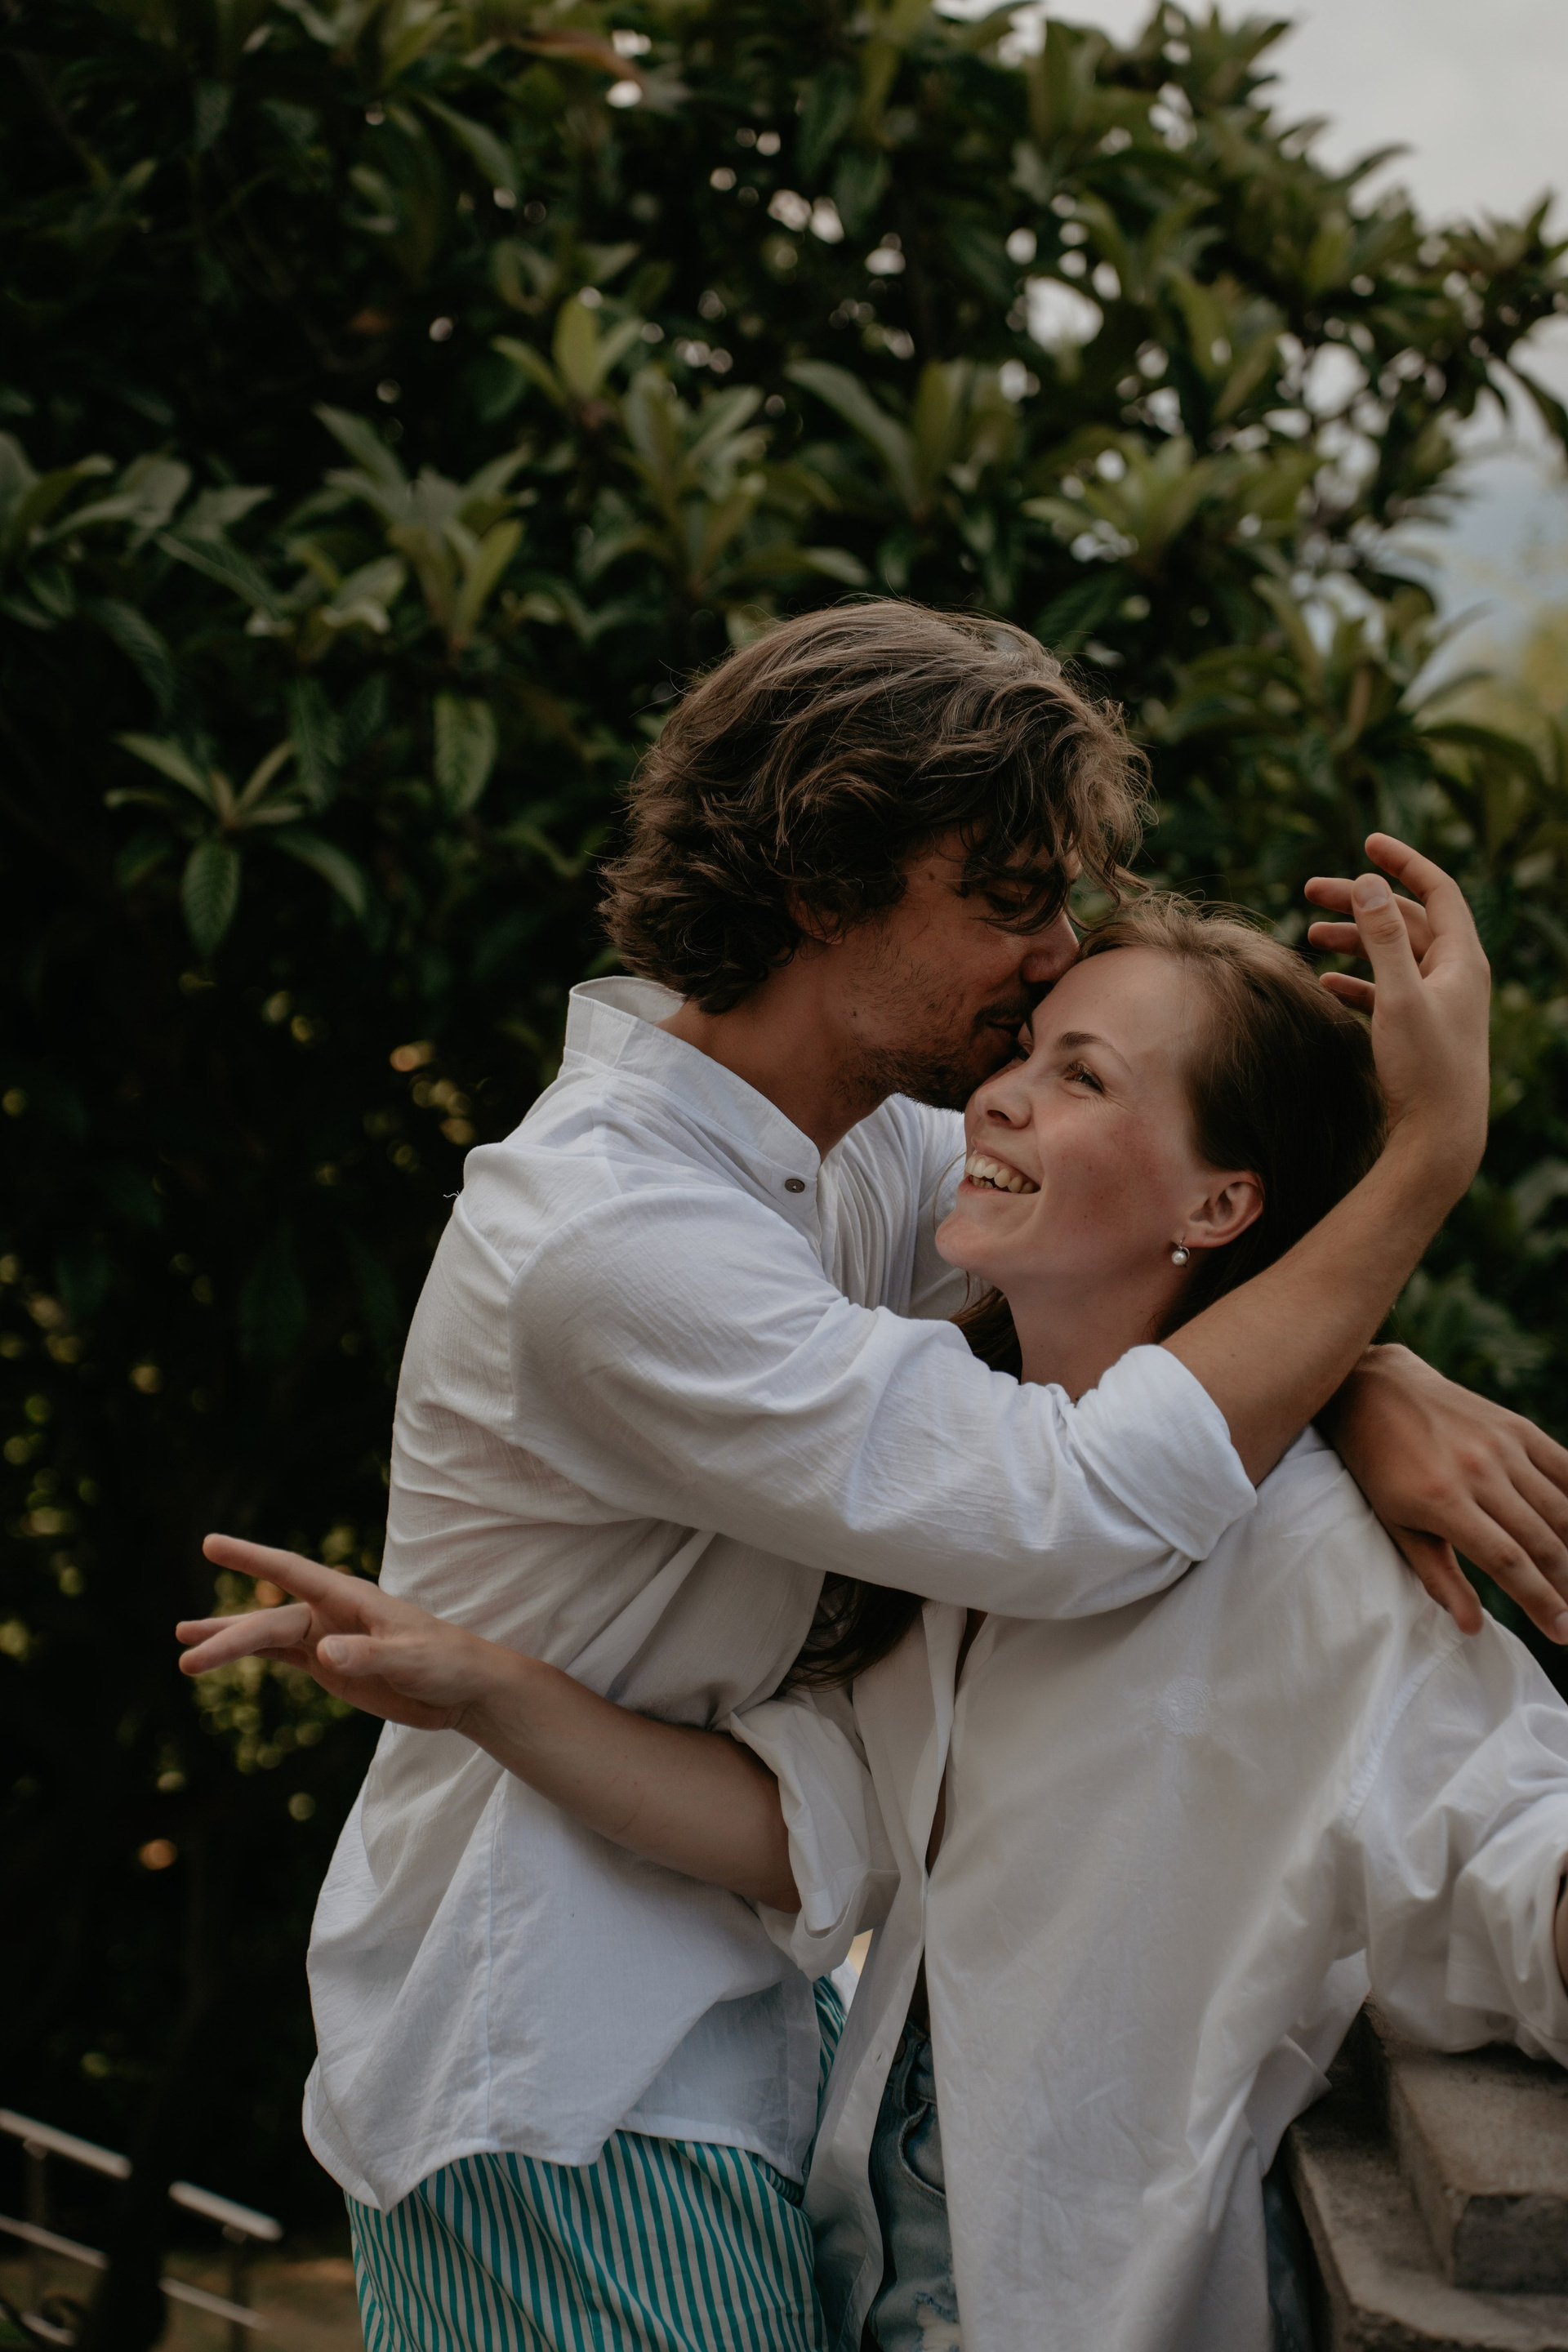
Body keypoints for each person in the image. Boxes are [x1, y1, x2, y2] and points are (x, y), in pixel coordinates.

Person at [184, 604, 1568, 2352]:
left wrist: (1362, 1376)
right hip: (560, 2058)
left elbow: (1131, 1283)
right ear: (824, 885)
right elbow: (1068, 1500)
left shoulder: (841, 1156)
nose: (1048, 959)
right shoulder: (616, 1235)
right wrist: (1428, 1159)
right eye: (1009, 898)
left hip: (730, 2044)